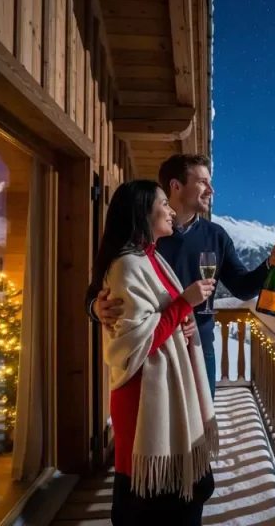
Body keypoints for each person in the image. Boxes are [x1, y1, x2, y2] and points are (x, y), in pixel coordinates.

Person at [90, 154, 275, 397]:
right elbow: (96, 293)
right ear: (176, 186)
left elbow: (242, 288)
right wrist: (96, 308)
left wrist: (270, 264)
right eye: (203, 182)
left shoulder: (216, 236)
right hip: (154, 355)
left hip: (199, 348)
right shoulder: (145, 238)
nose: (211, 190)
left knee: (202, 421)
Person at [89, 179, 219, 525]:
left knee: (176, 491)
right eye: (163, 203)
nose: (171, 210)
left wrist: (183, 325)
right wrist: (185, 303)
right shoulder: (128, 265)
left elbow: (158, 318)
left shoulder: (151, 257)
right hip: (144, 395)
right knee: (149, 497)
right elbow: (137, 341)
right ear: (142, 212)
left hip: (164, 388)